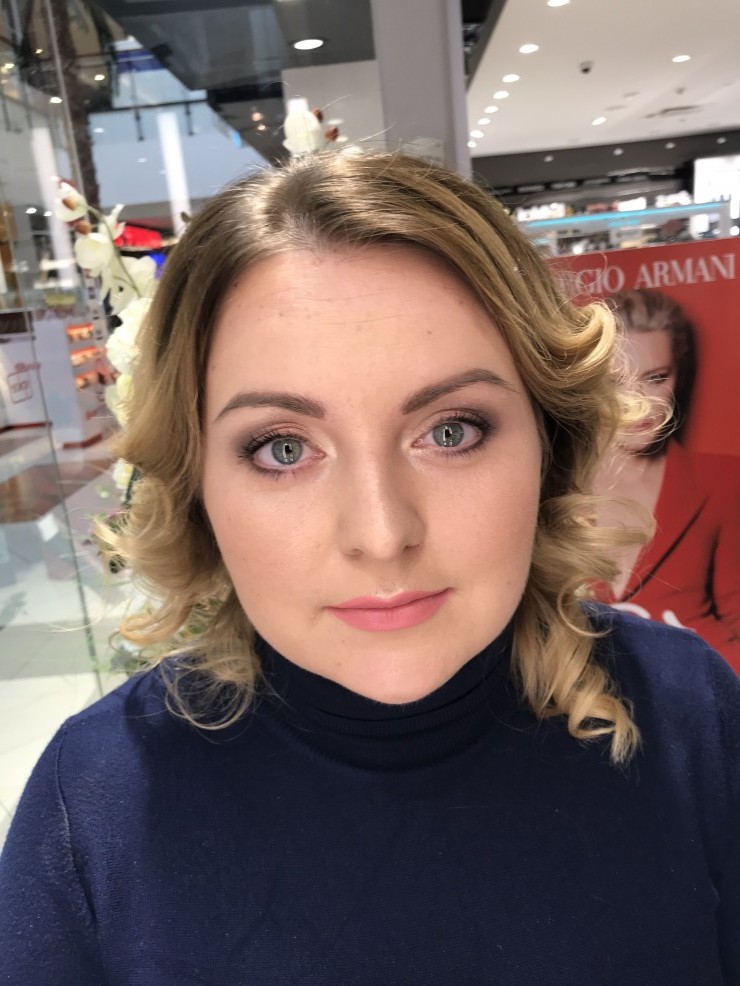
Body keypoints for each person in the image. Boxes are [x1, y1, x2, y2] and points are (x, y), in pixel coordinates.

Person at [0, 153, 738, 984]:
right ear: (196, 484)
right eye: (283, 449)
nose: (382, 535)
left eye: (452, 431)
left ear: (549, 443)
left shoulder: (689, 716)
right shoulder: (93, 806)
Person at [592, 287, 740, 670]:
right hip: (581, 692)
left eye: (656, 378)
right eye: (615, 381)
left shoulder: (722, 479)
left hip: (697, 683)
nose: (639, 402)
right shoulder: (550, 479)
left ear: (679, 376)